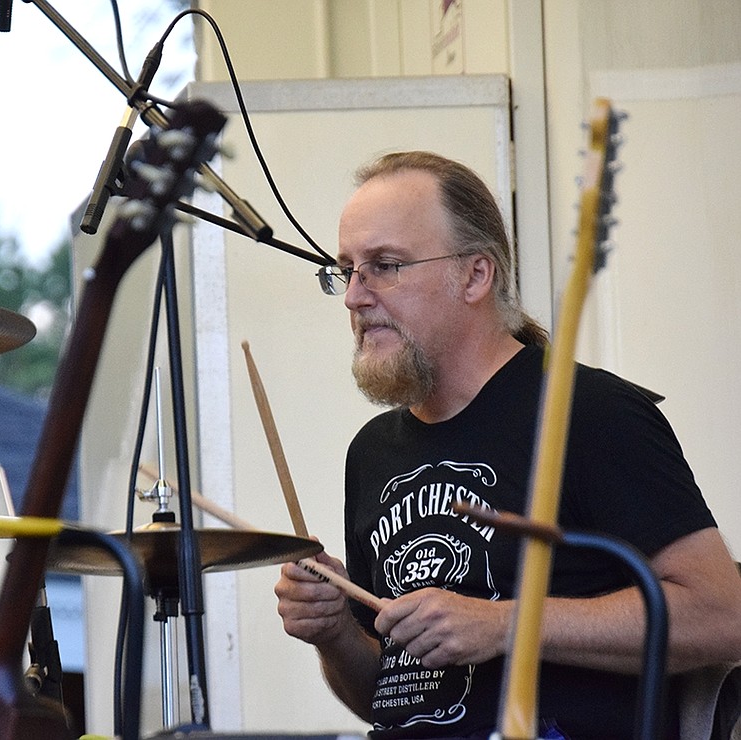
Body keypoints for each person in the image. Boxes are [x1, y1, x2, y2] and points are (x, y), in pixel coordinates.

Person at [274, 150, 741, 738]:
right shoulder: (372, 453)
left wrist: (503, 625)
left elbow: (724, 615)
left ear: (475, 274)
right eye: (347, 270)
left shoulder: (591, 414)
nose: (354, 297)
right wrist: (335, 635)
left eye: (386, 266)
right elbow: (393, 699)